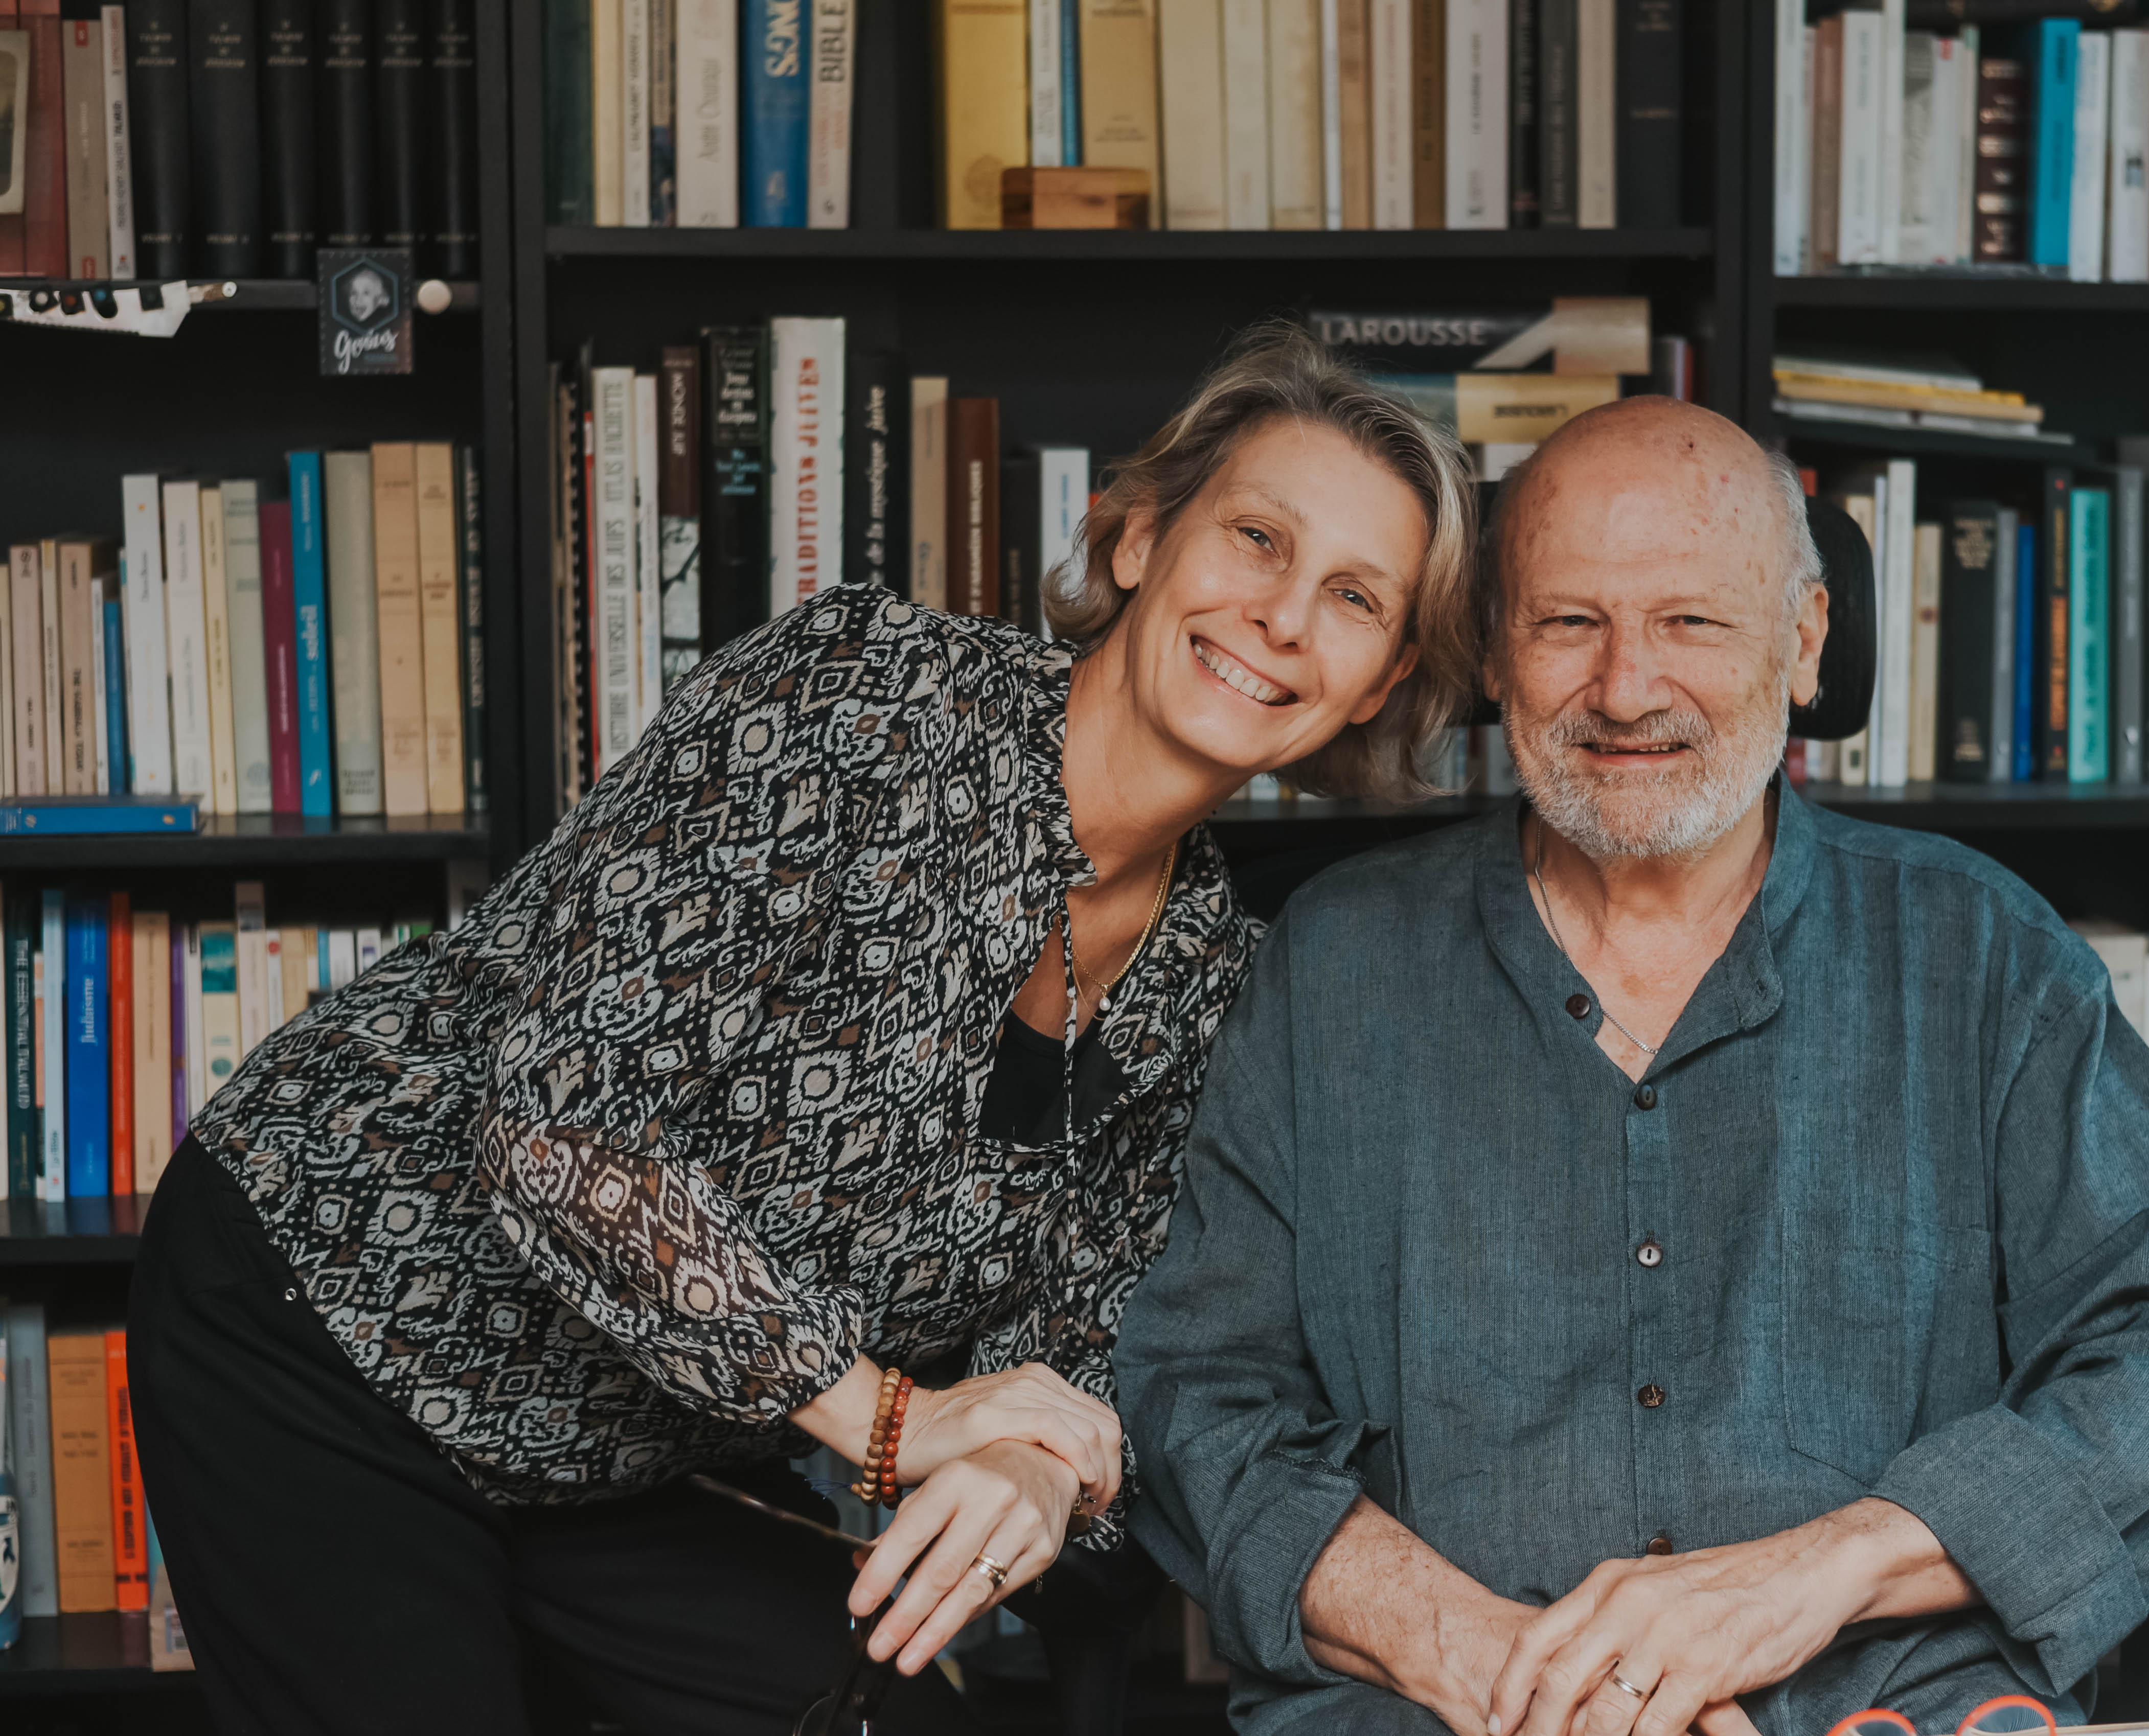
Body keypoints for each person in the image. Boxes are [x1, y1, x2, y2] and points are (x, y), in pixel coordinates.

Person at [127, 326, 1480, 1736]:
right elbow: (560, 1138)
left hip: (629, 1446)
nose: (1280, 616)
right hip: (327, 1317)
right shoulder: (861, 701)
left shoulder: (1215, 977)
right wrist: (898, 1423)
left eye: (1351, 598)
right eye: (1255, 537)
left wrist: (1034, 1472)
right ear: (1134, 539)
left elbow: (1088, 1348)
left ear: (1378, 682)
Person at [1115, 396, 2149, 1736]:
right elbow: (1192, 1393)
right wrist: (1503, 1670)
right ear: (1497, 656)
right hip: (1444, 1708)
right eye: (1568, 623)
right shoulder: (1333, 966)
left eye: (1690, 621)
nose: (1625, 690)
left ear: (1801, 645)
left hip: (1887, 1701)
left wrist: (1818, 1573)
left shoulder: (1978, 954)